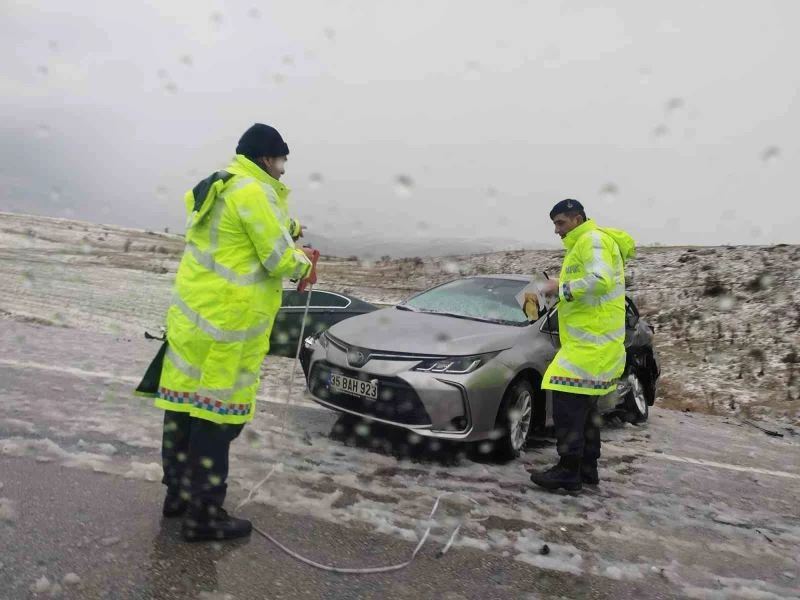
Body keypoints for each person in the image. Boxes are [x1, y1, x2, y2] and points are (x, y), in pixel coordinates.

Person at [153, 123, 316, 541]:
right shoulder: (254, 192)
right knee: (215, 418)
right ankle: (204, 516)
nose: (283, 170)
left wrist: (291, 228)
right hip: (227, 327)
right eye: (281, 161)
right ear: (266, 158)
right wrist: (303, 263)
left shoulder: (222, 187)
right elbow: (278, 257)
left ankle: (178, 497)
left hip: (193, 321)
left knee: (185, 409)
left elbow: (249, 229)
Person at [529, 199, 635, 492]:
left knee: (566, 402)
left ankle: (568, 469)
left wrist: (558, 288)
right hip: (592, 344)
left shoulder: (593, 240)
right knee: (584, 410)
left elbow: (599, 280)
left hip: (592, 345)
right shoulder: (582, 246)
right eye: (554, 224)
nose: (556, 230)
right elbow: (591, 286)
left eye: (560, 223)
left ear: (577, 219)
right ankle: (587, 468)